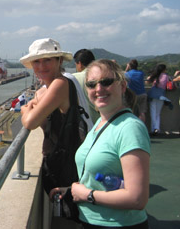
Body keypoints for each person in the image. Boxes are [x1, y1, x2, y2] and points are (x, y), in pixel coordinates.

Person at [51, 59, 150, 228]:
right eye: (91, 84)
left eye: (106, 82)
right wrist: (72, 190)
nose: (98, 89)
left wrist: (87, 195)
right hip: (91, 221)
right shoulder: (100, 123)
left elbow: (137, 198)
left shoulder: (130, 128)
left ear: (122, 86)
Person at [20, 38, 84, 228]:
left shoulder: (60, 84)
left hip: (69, 165)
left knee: (69, 219)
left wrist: (25, 110)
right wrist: (32, 105)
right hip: (62, 162)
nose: (41, 66)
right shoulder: (47, 88)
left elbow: (30, 122)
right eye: (37, 61)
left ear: (59, 61)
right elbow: (39, 104)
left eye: (47, 60)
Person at [73, 49, 99, 124]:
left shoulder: (74, 78)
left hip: (86, 124)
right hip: (104, 122)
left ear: (80, 64)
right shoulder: (103, 76)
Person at [147, 64, 169, 135]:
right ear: (163, 69)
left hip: (153, 95)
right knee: (158, 113)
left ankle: (153, 129)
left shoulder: (155, 75)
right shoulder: (166, 76)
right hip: (161, 95)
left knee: (153, 112)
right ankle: (157, 128)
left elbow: (147, 81)